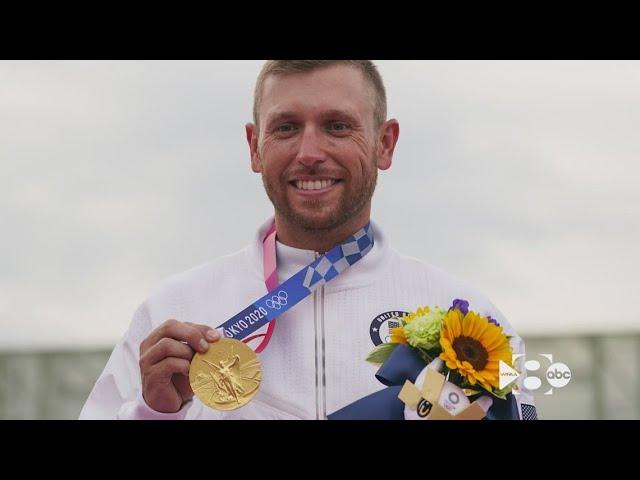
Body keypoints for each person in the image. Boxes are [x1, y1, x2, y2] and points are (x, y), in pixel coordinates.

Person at [79, 60, 537, 420]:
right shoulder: (171, 311)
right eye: (286, 127)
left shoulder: (472, 319)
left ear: (386, 143)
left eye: (337, 126)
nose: (310, 153)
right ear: (254, 147)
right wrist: (154, 413)